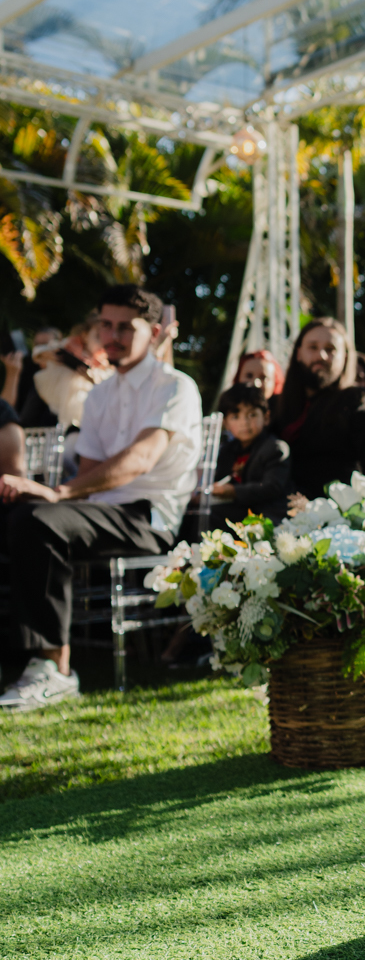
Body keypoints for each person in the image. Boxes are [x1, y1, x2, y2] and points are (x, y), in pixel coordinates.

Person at [0, 285, 202, 709]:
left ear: (154, 332)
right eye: (106, 325)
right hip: (99, 512)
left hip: (149, 519)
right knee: (18, 513)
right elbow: (90, 475)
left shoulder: (176, 387)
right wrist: (48, 496)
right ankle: (21, 657)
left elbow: (141, 459)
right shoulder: (98, 396)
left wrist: (58, 493)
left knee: (37, 520)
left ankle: (54, 667)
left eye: (125, 327)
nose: (112, 336)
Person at [274, 318, 365, 502]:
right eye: (313, 347)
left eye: (330, 349)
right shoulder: (276, 406)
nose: (321, 355)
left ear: (345, 358)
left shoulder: (356, 406)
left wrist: (356, 513)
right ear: (298, 353)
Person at [209, 384, 291, 526]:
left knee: (213, 516)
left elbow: (272, 487)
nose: (245, 423)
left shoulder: (275, 448)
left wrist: (234, 491)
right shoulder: (226, 450)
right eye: (235, 417)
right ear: (226, 424)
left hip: (264, 516)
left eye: (252, 415)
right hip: (235, 511)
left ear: (266, 417)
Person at [235, 349, 283, 421]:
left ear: (276, 382)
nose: (255, 383)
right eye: (249, 376)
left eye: (264, 377)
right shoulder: (227, 409)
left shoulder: (283, 416)